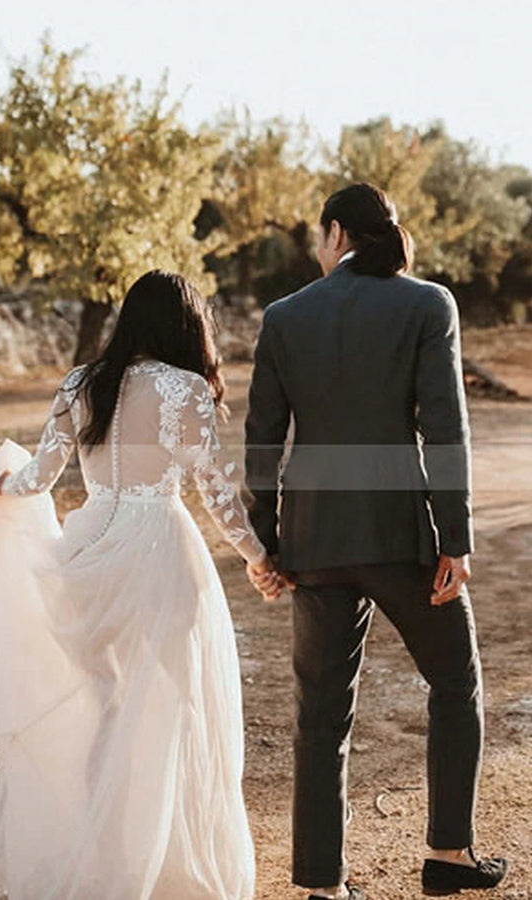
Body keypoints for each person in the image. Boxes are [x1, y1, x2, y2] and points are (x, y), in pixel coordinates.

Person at [0, 269, 284, 900]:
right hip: (160, 552)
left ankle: (103, 846)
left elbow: (36, 479)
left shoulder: (81, 383)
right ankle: (156, 857)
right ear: (186, 327)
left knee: (105, 703)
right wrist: (256, 557)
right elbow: (216, 491)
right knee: (170, 703)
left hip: (86, 546)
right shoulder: (185, 388)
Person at [244, 183, 508, 899]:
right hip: (402, 537)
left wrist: (266, 543)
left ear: (335, 233)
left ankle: (322, 887)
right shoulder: (428, 304)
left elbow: (263, 437)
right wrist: (455, 537)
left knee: (319, 716)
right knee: (455, 682)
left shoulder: (284, 316)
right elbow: (445, 428)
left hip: (313, 542)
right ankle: (448, 855)